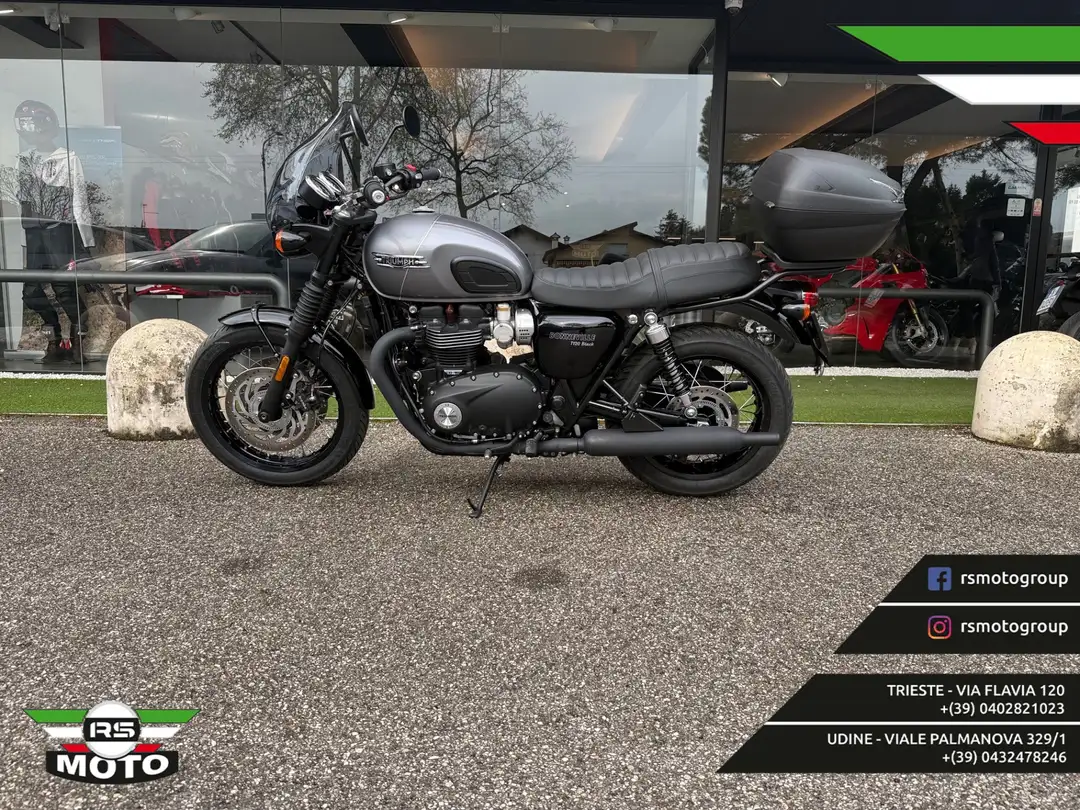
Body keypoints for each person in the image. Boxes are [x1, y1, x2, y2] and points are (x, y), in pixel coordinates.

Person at [13, 100, 95, 364]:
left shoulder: (68, 158)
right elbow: (21, 200)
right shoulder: (24, 161)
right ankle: (55, 337)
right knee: (31, 293)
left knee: (65, 289)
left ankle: (78, 339)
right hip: (33, 234)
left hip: (60, 232)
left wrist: (86, 241)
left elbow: (80, 200)